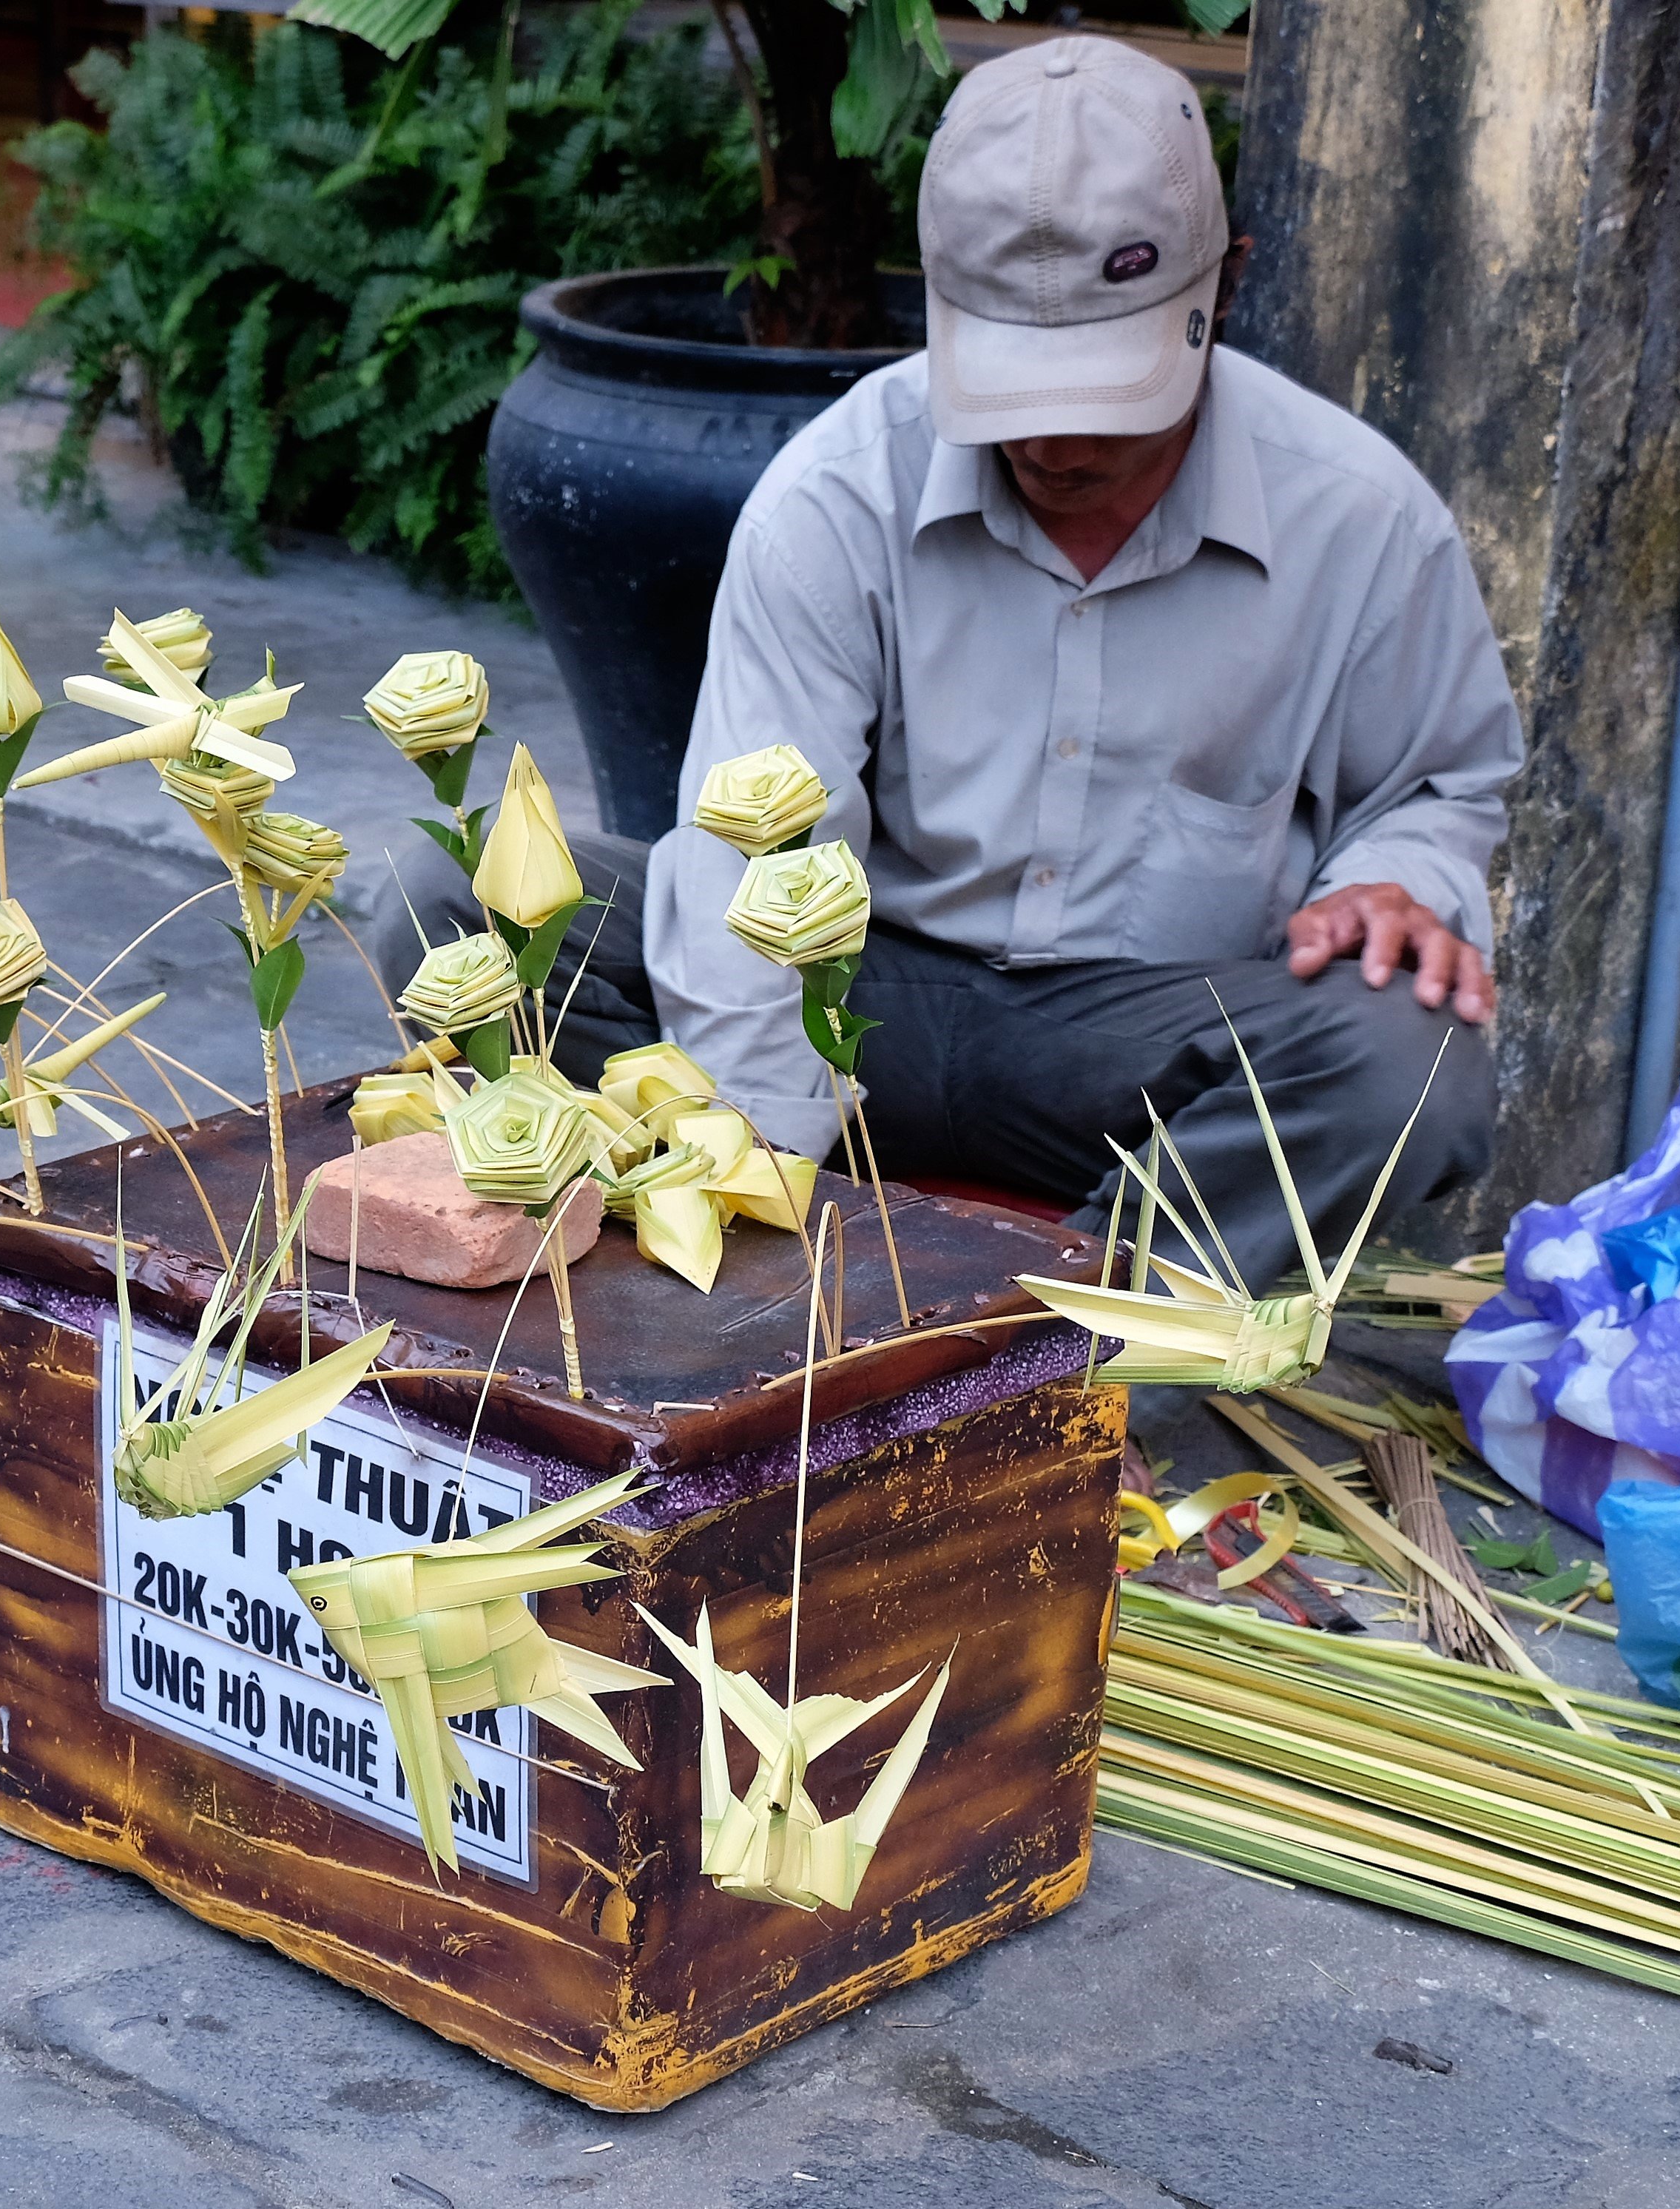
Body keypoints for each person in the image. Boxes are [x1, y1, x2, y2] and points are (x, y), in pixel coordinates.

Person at [397, 34, 1515, 1303]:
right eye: (1011, 379)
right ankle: (641, 1308)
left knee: (1413, 1058)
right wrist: (749, 1199)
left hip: (1136, 1044)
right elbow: (746, 861)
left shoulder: (1361, 519)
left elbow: (1438, 784)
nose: (1050, 438)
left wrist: (1391, 879)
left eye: (1106, 389)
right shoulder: (834, 491)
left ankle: (1071, 1387)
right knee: (453, 896)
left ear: (1228, 287)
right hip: (858, 983)